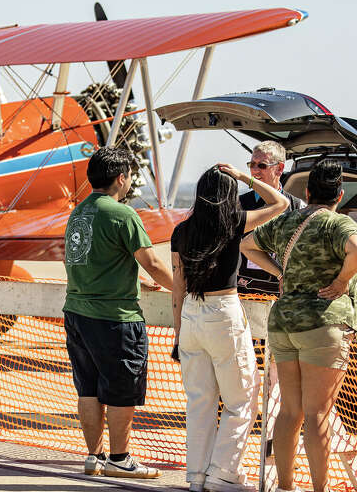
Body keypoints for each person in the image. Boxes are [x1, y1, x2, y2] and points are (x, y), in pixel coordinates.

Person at [240, 159, 357, 492]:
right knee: (319, 412)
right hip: (323, 322)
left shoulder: (287, 220)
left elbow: (246, 245)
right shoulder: (339, 224)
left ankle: (286, 487)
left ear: (307, 192)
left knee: (290, 411)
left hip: (283, 321)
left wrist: (280, 273)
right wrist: (341, 281)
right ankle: (320, 489)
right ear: (340, 193)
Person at [171, 164, 289, 492]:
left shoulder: (181, 231)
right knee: (240, 400)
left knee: (200, 400)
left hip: (192, 315)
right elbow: (281, 204)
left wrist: (179, 333)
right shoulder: (235, 223)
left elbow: (177, 287)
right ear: (228, 192)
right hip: (224, 313)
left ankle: (196, 475)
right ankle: (223, 473)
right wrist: (246, 178)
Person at [62, 146, 173, 479]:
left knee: (88, 388)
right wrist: (180, 288)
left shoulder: (78, 212)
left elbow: (93, 258)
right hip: (114, 317)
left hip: (77, 312)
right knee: (122, 388)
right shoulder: (123, 214)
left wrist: (134, 279)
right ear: (121, 178)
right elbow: (152, 261)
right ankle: (120, 458)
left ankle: (94, 457)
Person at [237, 141, 304, 296]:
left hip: (282, 291)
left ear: (279, 168)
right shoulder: (238, 203)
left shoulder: (297, 206)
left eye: (262, 166)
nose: (254, 171)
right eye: (252, 164)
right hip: (243, 290)